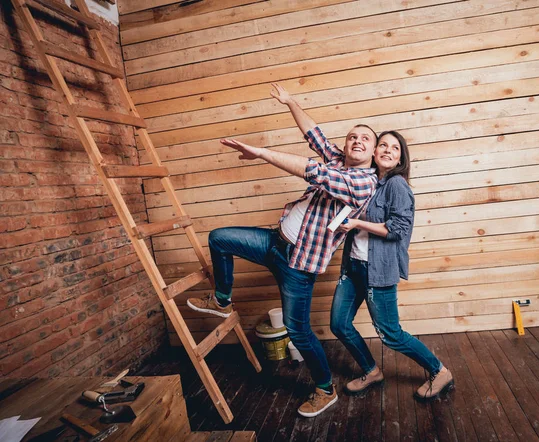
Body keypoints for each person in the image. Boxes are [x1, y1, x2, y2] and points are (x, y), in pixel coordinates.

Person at [186, 83, 378, 417]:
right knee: (219, 237)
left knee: (298, 331)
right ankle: (221, 299)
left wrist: (261, 153)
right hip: (275, 244)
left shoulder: (363, 182)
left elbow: (311, 170)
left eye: (365, 139)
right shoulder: (338, 160)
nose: (357, 141)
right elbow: (313, 134)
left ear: (374, 152)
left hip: (298, 266)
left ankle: (324, 389)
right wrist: (291, 101)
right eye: (352, 136)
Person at [331, 130, 454, 400]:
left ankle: (439, 371)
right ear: (374, 152)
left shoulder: (396, 185)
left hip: (378, 271)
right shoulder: (367, 181)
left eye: (395, 148)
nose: (387, 150)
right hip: (353, 267)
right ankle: (371, 370)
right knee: (339, 324)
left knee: (390, 334)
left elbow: (397, 229)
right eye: (383, 145)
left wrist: (357, 223)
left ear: (401, 158)